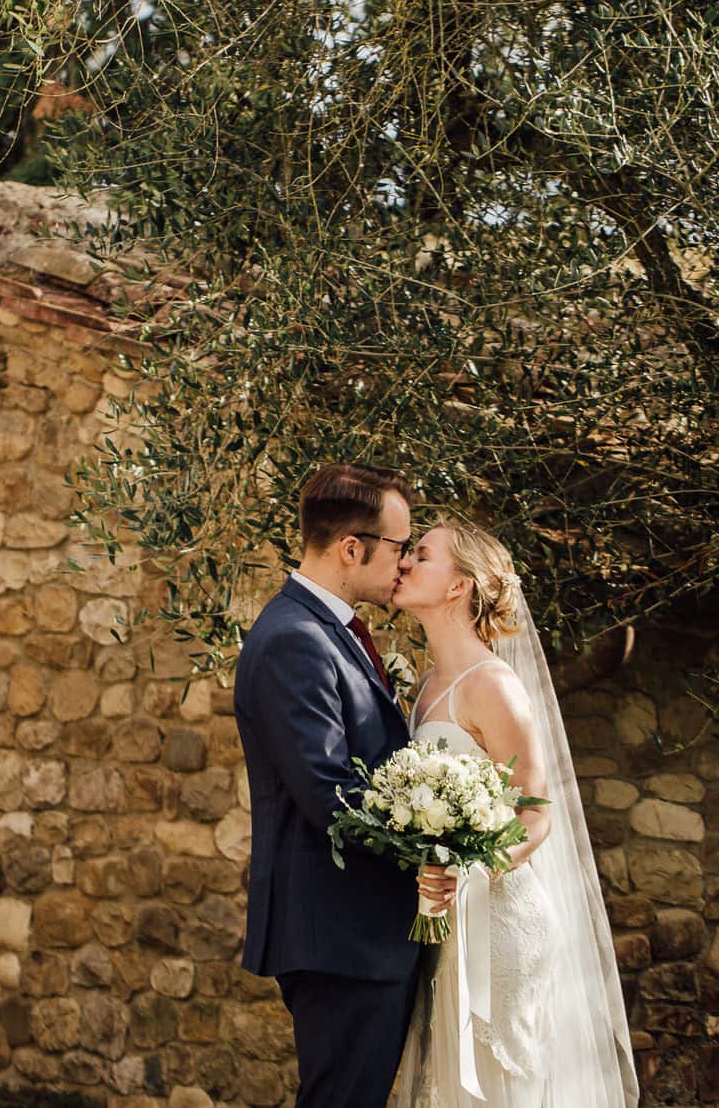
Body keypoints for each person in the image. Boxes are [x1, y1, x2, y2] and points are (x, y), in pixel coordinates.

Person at [385, 517, 640, 1107]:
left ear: (458, 587)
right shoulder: (425, 684)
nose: (403, 563)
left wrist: (470, 870)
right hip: (444, 919)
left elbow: (535, 812)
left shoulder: (492, 686)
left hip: (497, 922)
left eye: (420, 555)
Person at [233, 463, 457, 1108]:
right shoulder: (294, 641)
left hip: (360, 932)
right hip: (339, 933)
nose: (405, 564)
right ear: (351, 548)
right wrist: (439, 841)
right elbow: (329, 793)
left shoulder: (332, 631)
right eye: (398, 548)